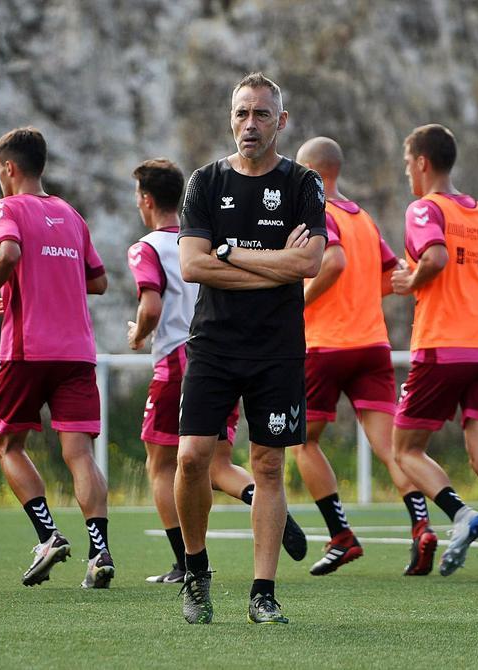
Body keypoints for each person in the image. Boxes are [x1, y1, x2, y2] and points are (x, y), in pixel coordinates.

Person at [176, 73, 326, 625]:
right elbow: (192, 266)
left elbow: (309, 263)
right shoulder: (205, 181)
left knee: (268, 464)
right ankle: (196, 573)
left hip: (277, 348)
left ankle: (263, 593)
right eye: (242, 113)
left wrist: (232, 253)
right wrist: (273, 266)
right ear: (230, 118)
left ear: (280, 121)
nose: (250, 124)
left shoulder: (303, 183)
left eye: (262, 114)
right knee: (192, 458)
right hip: (214, 343)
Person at [125, 159, 308, 584]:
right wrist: (278, 267)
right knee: (216, 462)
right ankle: (259, 499)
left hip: (184, 356)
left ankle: (183, 563)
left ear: (146, 200)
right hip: (215, 349)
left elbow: (151, 305)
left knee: (163, 463)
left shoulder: (148, 247)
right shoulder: (199, 237)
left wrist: (138, 334)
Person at [390, 123, 478, 582]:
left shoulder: (423, 208)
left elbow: (433, 257)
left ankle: (459, 513)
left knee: (405, 449)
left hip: (442, 345)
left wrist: (410, 282)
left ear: (421, 162)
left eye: (407, 164)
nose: (407, 173)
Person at [293, 137, 438, 577]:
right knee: (392, 447)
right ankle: (421, 526)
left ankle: (341, 535)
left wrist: (300, 303)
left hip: (324, 346)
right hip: (371, 345)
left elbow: (333, 263)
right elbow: (392, 277)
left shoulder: (316, 211)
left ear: (310, 173)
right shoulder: (362, 217)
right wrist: (356, 300)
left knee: (303, 442)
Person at [0, 127, 115, 589]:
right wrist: (56, 272)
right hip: (77, 352)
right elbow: (99, 282)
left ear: (9, 168)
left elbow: (8, 251)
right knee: (80, 455)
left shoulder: (6, 208)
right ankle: (100, 553)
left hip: (28, 349)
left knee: (7, 445)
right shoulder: (71, 215)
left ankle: (48, 536)